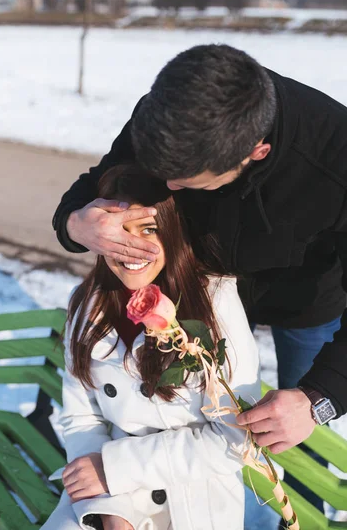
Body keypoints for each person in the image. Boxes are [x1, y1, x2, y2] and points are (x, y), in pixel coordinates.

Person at [53, 44, 347, 512]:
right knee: (200, 423)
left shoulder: (335, 155)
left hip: (306, 302)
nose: (169, 188)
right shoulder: (169, 112)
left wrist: (320, 398)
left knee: (291, 433)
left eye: (186, 181)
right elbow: (101, 183)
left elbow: (317, 397)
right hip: (200, 292)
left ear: (257, 152)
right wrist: (74, 222)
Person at [43, 165, 260, 530]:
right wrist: (109, 507)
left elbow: (235, 438)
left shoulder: (214, 301)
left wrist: (114, 470)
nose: (132, 247)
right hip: (104, 496)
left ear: (172, 232)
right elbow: (82, 417)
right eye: (118, 231)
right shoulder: (87, 305)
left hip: (193, 497)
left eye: (148, 229)